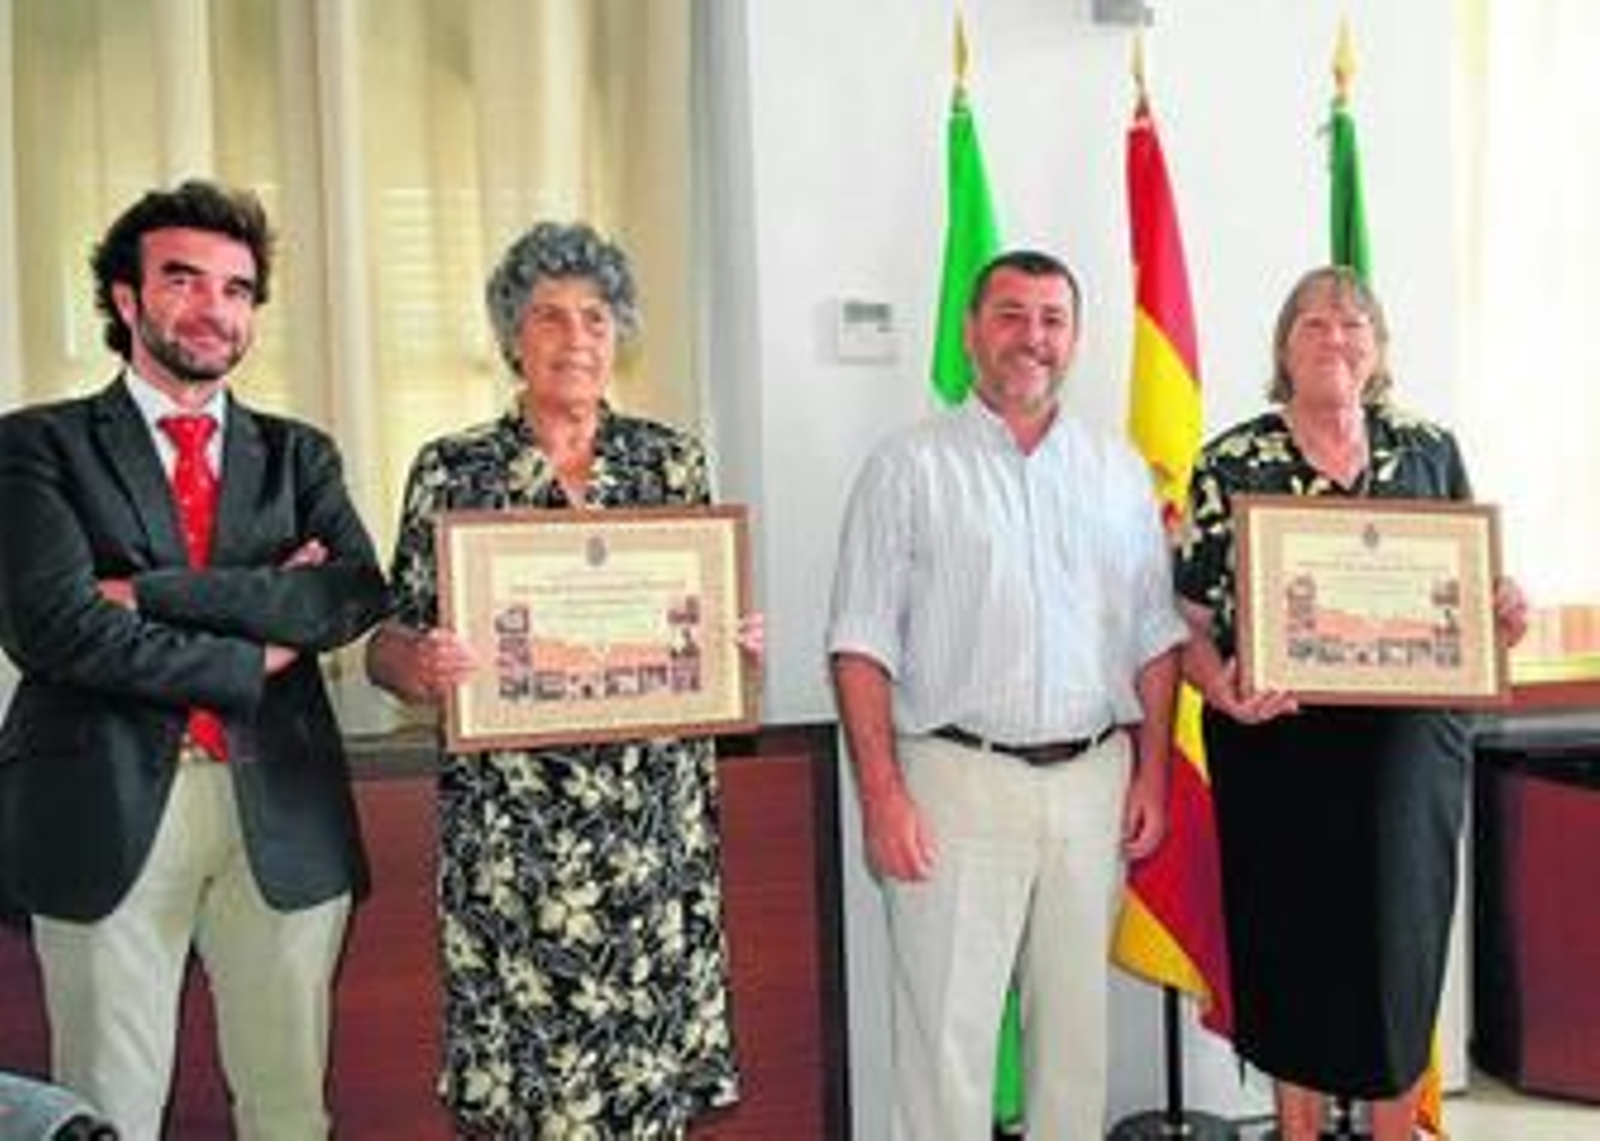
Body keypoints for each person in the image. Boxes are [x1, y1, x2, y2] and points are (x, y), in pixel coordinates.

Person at [0, 180, 388, 1140]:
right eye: (185, 280)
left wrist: (151, 590)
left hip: (284, 816)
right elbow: (55, 627)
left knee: (291, 1108)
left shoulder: (301, 455)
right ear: (127, 300)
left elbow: (346, 594)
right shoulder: (34, 446)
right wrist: (255, 650)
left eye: (238, 288)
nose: (215, 308)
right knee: (111, 1110)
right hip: (106, 807)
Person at [365, 220, 757, 1138]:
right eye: (548, 317)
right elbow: (387, 636)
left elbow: (696, 617)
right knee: (528, 1092)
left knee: (647, 1085)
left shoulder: (672, 460)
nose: (574, 338)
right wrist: (417, 663)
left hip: (653, 835)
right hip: (515, 843)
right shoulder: (451, 468)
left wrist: (730, 643)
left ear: (618, 333)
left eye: (594, 317)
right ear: (512, 335)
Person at [827, 249, 1187, 1139]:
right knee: (946, 1039)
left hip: (1091, 780)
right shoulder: (906, 467)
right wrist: (882, 794)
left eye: (1053, 319)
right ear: (971, 332)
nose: (1033, 338)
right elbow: (860, 642)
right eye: (1012, 315)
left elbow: (1153, 635)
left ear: (1076, 338)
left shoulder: (1117, 473)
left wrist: (1152, 778)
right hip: (954, 781)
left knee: (1075, 1042)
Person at [1174, 265, 1529, 1141]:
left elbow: (1469, 590)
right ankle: (1296, 1132)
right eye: (1314, 325)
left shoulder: (1429, 447)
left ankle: (1394, 1131)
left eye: (1353, 325)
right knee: (1292, 938)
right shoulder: (1233, 457)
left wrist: (1500, 611)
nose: (1336, 338)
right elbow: (1184, 616)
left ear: (1378, 350)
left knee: (1401, 946)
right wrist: (1220, 686)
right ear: (1283, 348)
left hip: (1411, 751)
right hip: (1278, 745)